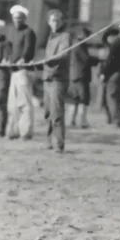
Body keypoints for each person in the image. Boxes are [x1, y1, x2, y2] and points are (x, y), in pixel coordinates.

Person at [42, 10, 72, 153]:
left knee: (57, 113)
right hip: (47, 78)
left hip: (58, 79)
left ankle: (58, 144)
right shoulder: (50, 37)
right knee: (48, 112)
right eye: (53, 20)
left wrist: (48, 60)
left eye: (58, 20)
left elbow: (64, 54)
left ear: (62, 22)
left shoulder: (65, 36)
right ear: (48, 22)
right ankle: (49, 141)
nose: (55, 23)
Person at [6, 5, 37, 140]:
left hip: (24, 71)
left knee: (24, 104)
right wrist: (7, 60)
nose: (17, 20)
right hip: (14, 72)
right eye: (15, 18)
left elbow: (28, 49)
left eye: (19, 18)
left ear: (24, 19)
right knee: (12, 105)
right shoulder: (13, 32)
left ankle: (26, 132)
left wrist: (23, 59)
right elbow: (10, 49)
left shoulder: (29, 32)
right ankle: (13, 131)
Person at [100, 27, 120, 129]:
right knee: (118, 99)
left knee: (111, 98)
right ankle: (118, 121)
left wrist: (104, 73)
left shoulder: (115, 45)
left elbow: (110, 62)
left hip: (115, 75)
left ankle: (115, 122)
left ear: (110, 37)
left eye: (108, 40)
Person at [68, 26, 98, 128]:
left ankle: (72, 121)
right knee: (83, 99)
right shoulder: (80, 45)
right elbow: (86, 59)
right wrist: (98, 59)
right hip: (81, 76)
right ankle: (82, 121)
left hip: (75, 76)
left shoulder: (75, 43)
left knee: (75, 99)